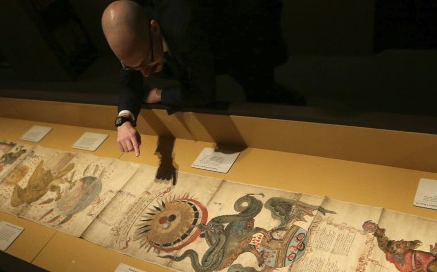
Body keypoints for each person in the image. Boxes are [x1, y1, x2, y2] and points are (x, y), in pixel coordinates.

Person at [101, 0, 303, 156]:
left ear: (154, 28)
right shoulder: (126, 26)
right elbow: (130, 76)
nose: (145, 73)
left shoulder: (183, 26)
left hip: (244, 26)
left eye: (148, 62)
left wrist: (159, 94)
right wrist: (124, 120)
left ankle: (294, 108)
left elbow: (202, 93)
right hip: (199, 30)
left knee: (257, 85)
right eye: (133, 66)